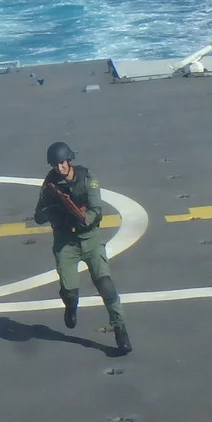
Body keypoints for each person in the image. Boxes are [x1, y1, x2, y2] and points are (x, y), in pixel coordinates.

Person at [34, 141, 130, 353]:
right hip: (65, 243)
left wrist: (85, 217)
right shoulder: (50, 184)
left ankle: (120, 329)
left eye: (62, 163)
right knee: (69, 291)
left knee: (106, 287)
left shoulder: (87, 179)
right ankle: (70, 306)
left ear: (69, 161)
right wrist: (53, 207)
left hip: (90, 240)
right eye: (55, 164)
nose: (59, 168)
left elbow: (97, 209)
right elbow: (38, 216)